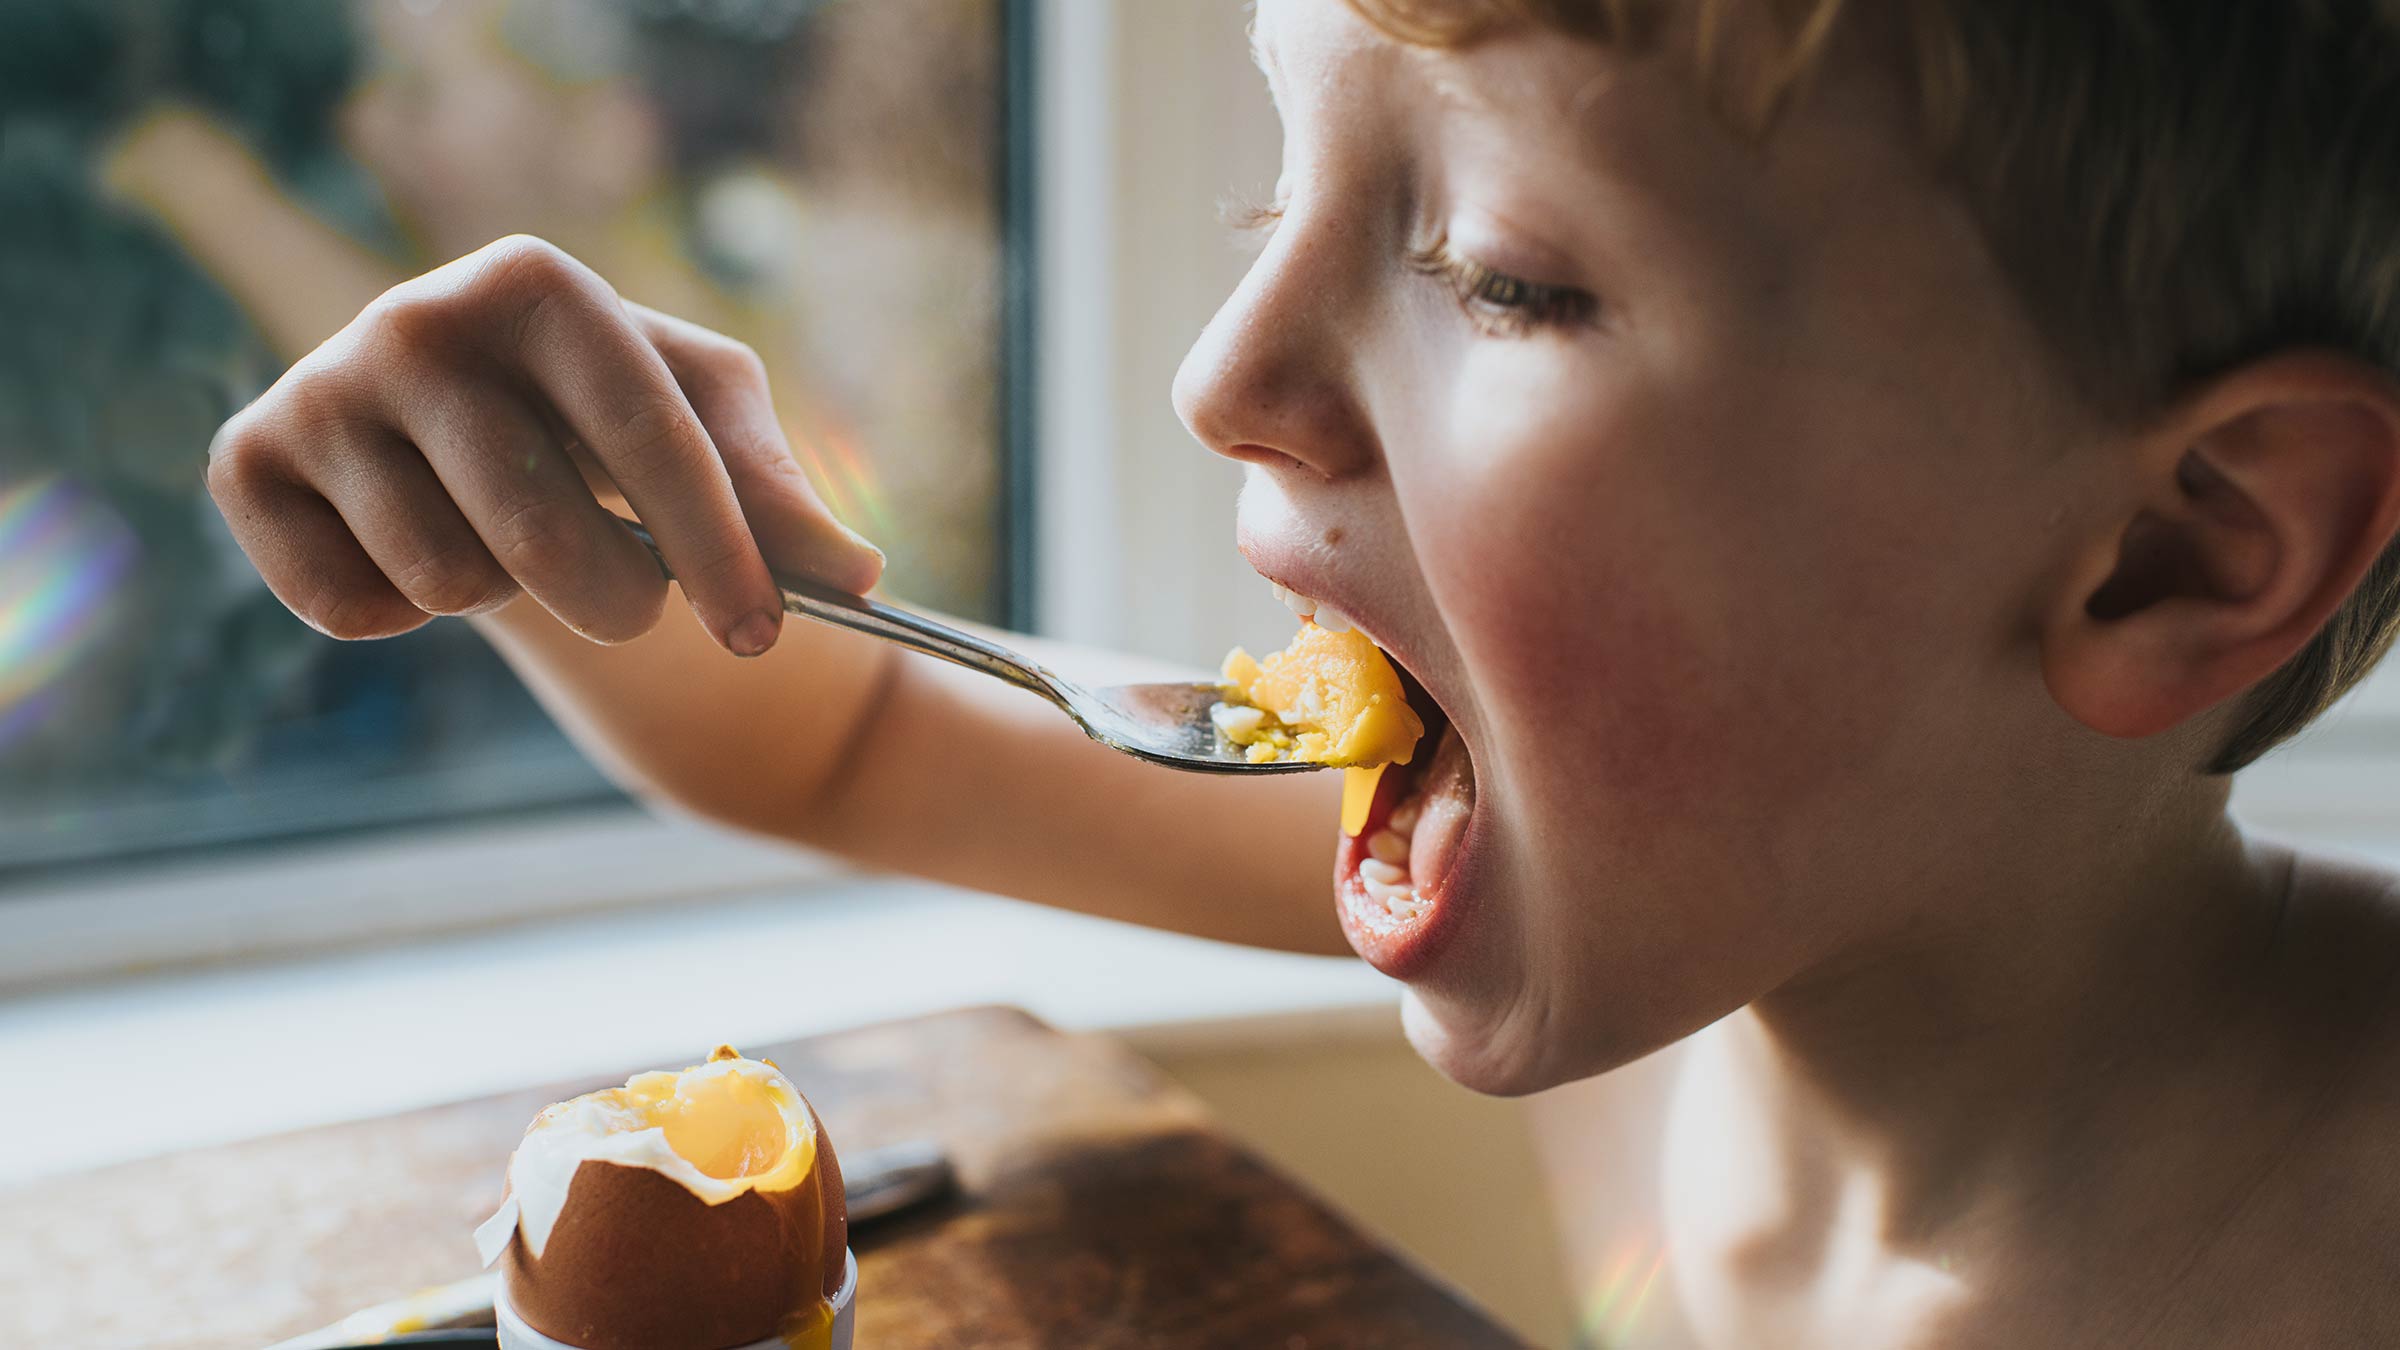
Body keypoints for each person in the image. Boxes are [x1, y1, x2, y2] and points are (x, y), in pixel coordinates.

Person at [200, 0, 2400, 1343]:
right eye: (1277, 188)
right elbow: (857, 731)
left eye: (1506, 279)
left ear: (2174, 552)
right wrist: (525, 502)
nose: (1221, 378)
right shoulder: (1689, 918)